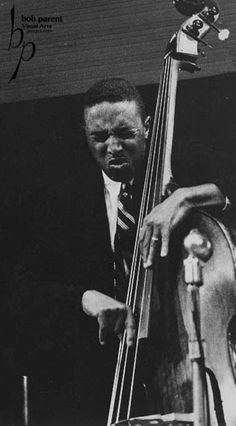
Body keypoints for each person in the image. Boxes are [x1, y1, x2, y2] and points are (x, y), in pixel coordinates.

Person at [1, 77, 235, 425]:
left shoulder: (181, 167)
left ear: (148, 127)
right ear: (85, 133)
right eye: (99, 138)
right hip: (103, 380)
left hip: (186, 372)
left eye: (125, 134)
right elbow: (23, 291)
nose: (112, 147)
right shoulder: (58, 200)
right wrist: (85, 298)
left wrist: (184, 197)